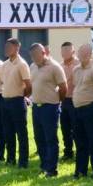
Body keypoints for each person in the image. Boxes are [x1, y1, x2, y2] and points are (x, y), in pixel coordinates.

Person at [29, 43, 68, 178]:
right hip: (36, 107)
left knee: (50, 138)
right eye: (32, 56)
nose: (34, 58)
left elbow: (63, 88)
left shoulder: (55, 67)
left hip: (50, 107)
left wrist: (57, 101)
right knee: (39, 137)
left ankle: (52, 169)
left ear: (43, 53)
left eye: (36, 55)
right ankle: (44, 165)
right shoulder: (32, 66)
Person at [71, 44, 93, 179]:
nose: (81, 55)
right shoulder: (76, 70)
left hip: (90, 109)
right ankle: (80, 171)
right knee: (80, 142)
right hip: (78, 109)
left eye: (84, 53)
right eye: (80, 53)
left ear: (90, 54)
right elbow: (77, 87)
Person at [0, 37, 32, 168]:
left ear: (17, 48)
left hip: (17, 101)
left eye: (9, 47)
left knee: (21, 133)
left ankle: (23, 161)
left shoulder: (22, 64)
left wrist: (22, 96)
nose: (6, 49)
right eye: (5, 47)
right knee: (8, 132)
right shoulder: (5, 64)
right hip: (5, 101)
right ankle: (10, 159)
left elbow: (29, 85)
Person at [59, 42, 78, 161]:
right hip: (63, 100)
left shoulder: (79, 65)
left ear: (73, 52)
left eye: (68, 51)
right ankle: (68, 151)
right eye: (63, 51)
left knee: (76, 127)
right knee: (65, 127)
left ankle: (80, 151)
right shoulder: (60, 66)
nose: (65, 53)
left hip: (76, 100)